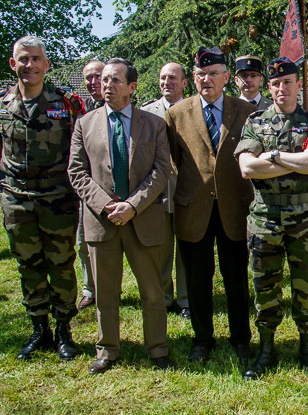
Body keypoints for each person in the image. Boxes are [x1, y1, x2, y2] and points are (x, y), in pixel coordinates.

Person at [68, 57, 173, 374]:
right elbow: (77, 172)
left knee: (153, 291)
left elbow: (162, 169)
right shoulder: (85, 124)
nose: (106, 85)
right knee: (106, 293)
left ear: (132, 86)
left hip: (142, 219)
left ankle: (158, 348)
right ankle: (107, 350)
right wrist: (106, 204)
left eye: (114, 80)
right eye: (103, 80)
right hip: (102, 222)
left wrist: (133, 205)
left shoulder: (153, 124)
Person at [0, 36, 82, 361]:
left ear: (46, 65)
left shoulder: (66, 102)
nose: (30, 65)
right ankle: (39, 328)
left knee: (62, 264)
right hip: (17, 199)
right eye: (23, 59)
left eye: (36, 59)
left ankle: (64, 330)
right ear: (13, 64)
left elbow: (82, 146)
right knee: (29, 265)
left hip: (58, 198)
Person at [236, 56, 308, 379]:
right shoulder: (256, 123)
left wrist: (275, 157)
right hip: (265, 217)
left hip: (305, 218)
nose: (281, 88)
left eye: (287, 82)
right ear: (270, 87)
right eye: (275, 83)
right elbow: (248, 168)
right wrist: (298, 162)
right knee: (265, 287)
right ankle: (267, 350)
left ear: (298, 85)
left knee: (306, 287)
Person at [165, 46, 256, 365]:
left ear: (226, 77)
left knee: (236, 278)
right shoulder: (177, 113)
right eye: (201, 74)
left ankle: (241, 338)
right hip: (194, 209)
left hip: (235, 208)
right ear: (193, 78)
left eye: (214, 73)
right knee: (197, 279)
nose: (207, 79)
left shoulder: (244, 111)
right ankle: (202, 338)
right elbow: (172, 161)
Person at [141, 63, 190, 318]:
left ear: (184, 82)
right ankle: (163, 297)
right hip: (157, 192)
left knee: (184, 247)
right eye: (162, 78)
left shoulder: (192, 111)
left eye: (172, 78)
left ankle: (185, 300)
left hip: (185, 190)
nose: (166, 82)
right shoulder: (146, 112)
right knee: (159, 248)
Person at [75, 59, 105, 311]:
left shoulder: (125, 105)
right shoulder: (75, 108)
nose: (93, 82)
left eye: (98, 76)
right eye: (88, 78)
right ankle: (90, 288)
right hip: (87, 187)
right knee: (84, 242)